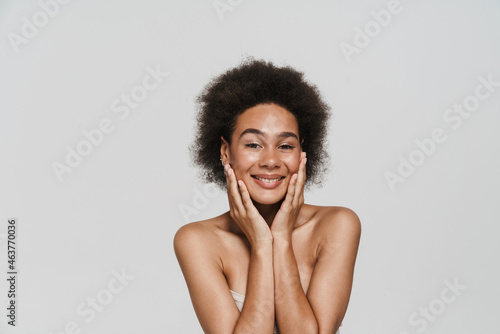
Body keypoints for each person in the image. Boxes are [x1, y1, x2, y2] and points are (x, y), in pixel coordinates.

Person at [174, 59, 361, 333]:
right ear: (225, 151)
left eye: (285, 145)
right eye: (253, 144)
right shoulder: (197, 241)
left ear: (302, 153)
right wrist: (262, 243)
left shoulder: (337, 225)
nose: (271, 160)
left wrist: (281, 238)